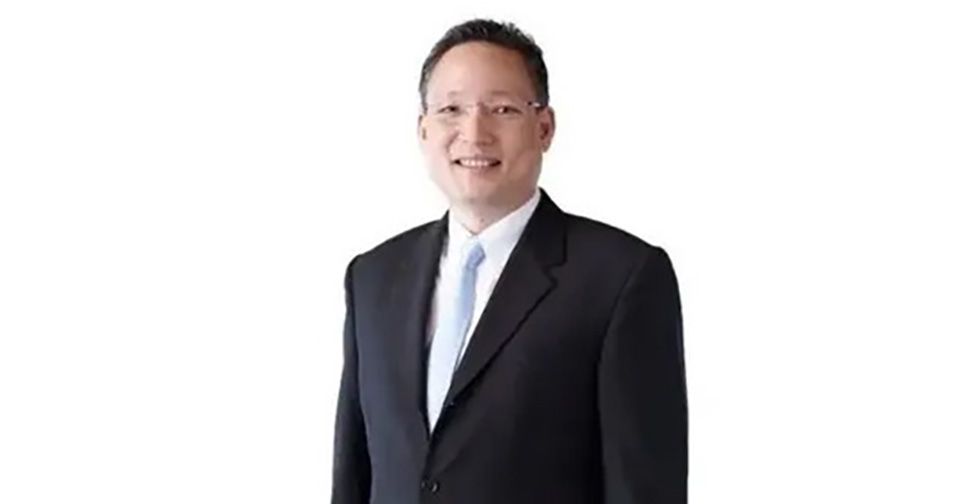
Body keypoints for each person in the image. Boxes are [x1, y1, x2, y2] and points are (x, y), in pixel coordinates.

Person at [332, 18, 687, 504]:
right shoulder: (373, 277)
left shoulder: (620, 278)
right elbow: (355, 474)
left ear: (544, 127)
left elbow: (644, 488)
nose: (474, 132)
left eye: (502, 109)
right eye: (451, 109)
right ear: (423, 129)